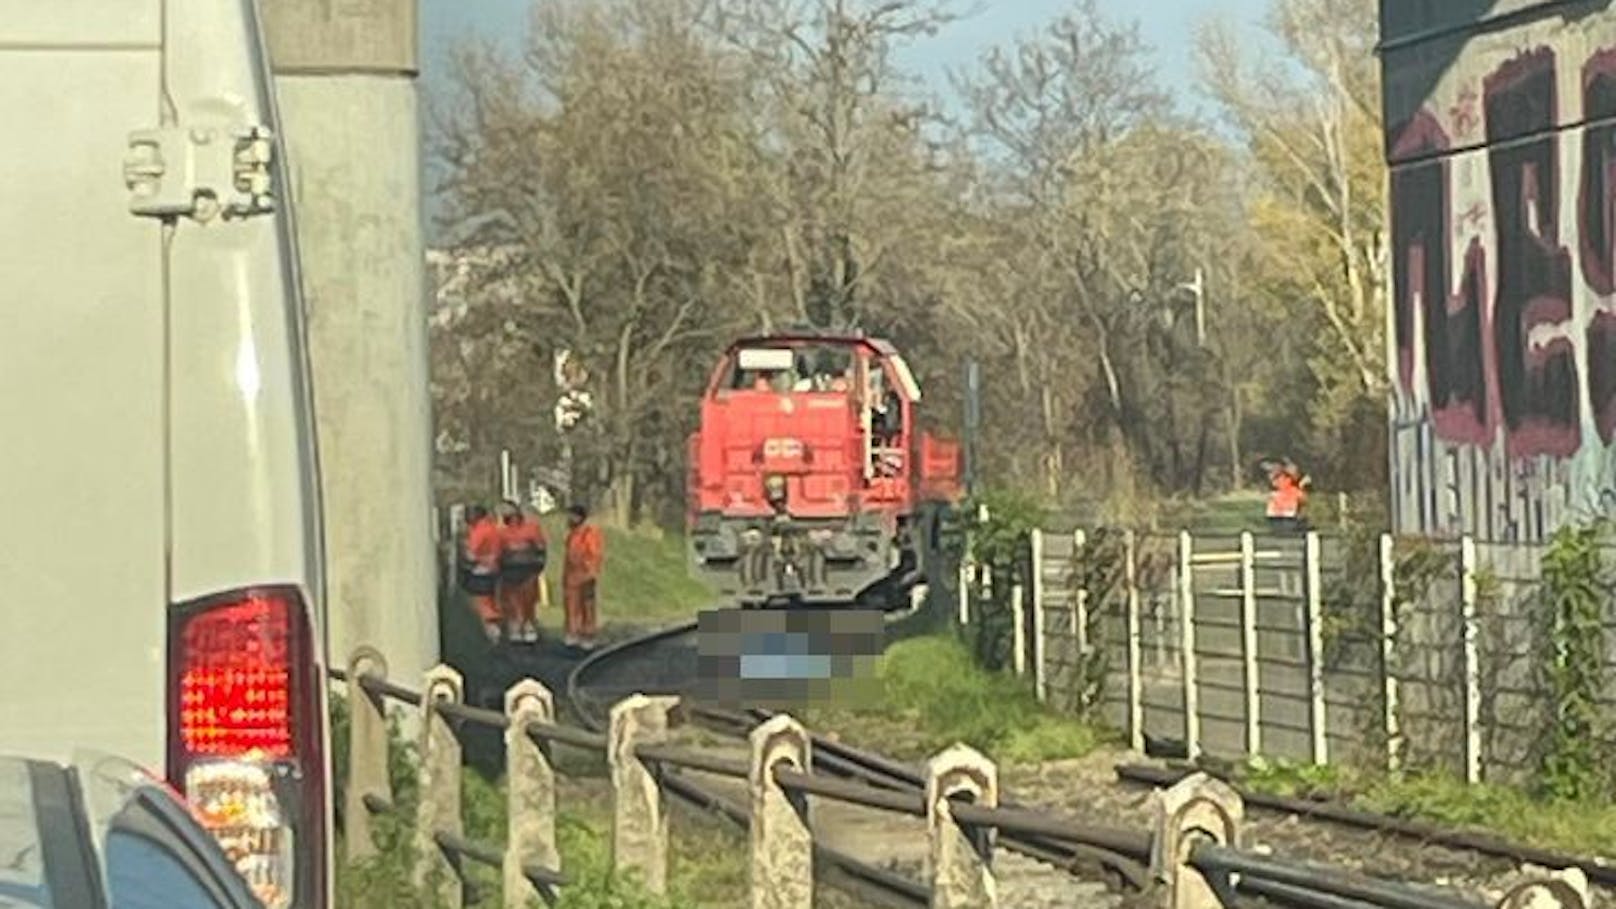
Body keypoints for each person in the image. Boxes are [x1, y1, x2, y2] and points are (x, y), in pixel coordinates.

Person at [497, 501, 547, 643]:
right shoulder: (501, 533)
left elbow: (541, 549)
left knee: (528, 601)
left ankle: (528, 625)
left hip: (528, 571)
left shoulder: (531, 528)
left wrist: (538, 567)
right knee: (511, 601)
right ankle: (515, 626)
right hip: (509, 572)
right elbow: (498, 552)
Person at [562, 503, 605, 649]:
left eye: (572, 515)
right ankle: (573, 633)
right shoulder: (572, 534)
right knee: (571, 606)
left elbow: (594, 554)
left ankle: (588, 635)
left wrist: (591, 572)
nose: (569, 519)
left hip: (585, 575)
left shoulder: (589, 533)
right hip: (571, 576)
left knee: (587, 606)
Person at [461, 504, 504, 642]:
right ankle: (495, 632)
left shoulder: (479, 531)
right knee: (491, 601)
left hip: (480, 570)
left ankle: (489, 634)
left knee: (481, 603)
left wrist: (465, 550)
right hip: (494, 569)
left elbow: (471, 554)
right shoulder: (493, 528)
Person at [1265, 459, 1310, 533]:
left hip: (1289, 512)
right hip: (1277, 512)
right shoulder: (1279, 478)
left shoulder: (1297, 482)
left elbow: (1303, 496)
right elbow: (1273, 482)